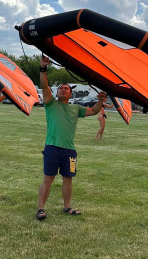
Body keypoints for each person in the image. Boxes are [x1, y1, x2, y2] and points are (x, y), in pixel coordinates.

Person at [36, 55, 107, 220]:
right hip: (52, 148)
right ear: (57, 92)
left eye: (66, 89)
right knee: (48, 178)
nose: (63, 90)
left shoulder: (76, 108)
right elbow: (44, 85)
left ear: (70, 94)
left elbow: (94, 111)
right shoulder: (50, 103)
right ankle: (40, 209)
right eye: (61, 88)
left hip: (69, 150)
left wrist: (101, 100)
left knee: (68, 179)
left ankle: (67, 207)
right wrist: (43, 68)